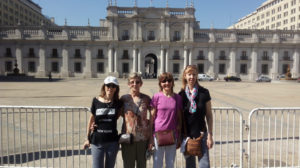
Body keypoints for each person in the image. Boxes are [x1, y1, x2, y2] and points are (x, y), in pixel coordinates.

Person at [178, 65, 214, 168]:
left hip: (202, 135)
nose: (191, 77)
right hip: (187, 136)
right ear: (185, 76)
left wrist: (210, 135)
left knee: (204, 165)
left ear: (197, 76)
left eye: (194, 74)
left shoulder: (204, 93)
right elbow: (179, 118)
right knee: (190, 166)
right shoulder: (181, 95)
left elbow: (209, 115)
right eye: (189, 74)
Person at [83, 76, 122, 168]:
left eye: (113, 86)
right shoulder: (96, 101)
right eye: (108, 85)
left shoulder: (118, 103)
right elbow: (91, 120)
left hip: (112, 141)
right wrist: (87, 138)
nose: (110, 88)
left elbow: (116, 117)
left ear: (116, 88)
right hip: (97, 141)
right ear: (104, 86)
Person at [149, 72, 182, 168]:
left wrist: (179, 137)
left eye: (169, 81)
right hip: (158, 135)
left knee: (170, 163)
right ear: (160, 83)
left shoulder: (178, 98)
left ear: (172, 82)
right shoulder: (156, 97)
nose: (166, 83)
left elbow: (179, 119)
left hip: (172, 134)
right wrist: (150, 137)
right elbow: (152, 118)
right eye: (164, 81)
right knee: (157, 163)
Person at [120, 73, 152, 168]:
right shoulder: (124, 99)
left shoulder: (146, 99)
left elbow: (154, 116)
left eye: (137, 82)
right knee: (128, 165)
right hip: (127, 138)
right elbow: (116, 114)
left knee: (142, 165)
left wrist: (151, 139)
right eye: (132, 82)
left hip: (143, 139)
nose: (135, 84)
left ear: (141, 84)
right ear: (128, 84)